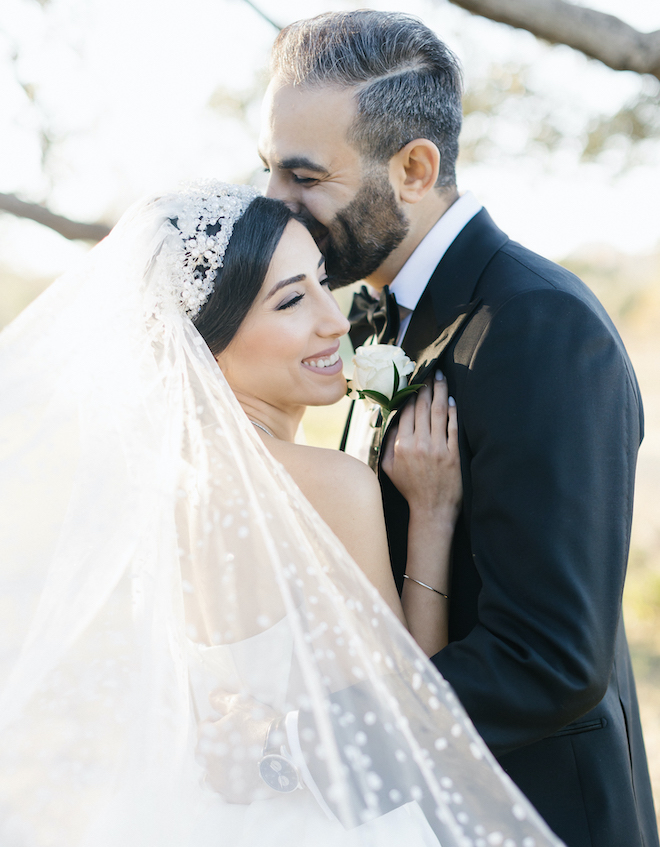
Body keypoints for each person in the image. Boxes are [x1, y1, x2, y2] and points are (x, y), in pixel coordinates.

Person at [0, 181, 564, 846]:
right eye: (292, 300)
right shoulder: (328, 485)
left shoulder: (169, 486)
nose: (335, 319)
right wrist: (433, 518)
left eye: (324, 283)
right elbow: (409, 718)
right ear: (207, 342)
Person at [260, 11, 659, 847]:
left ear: (413, 167)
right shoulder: (373, 319)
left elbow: (549, 658)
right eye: (269, 171)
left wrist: (312, 745)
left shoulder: (541, 328)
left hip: (539, 817)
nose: (276, 206)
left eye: (304, 176)